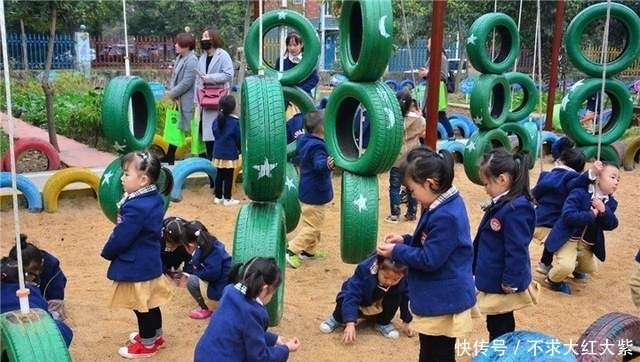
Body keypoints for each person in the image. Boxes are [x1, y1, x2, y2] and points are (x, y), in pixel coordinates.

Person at [377, 147, 476, 362]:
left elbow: (429, 258)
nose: (411, 195)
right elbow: (430, 242)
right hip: (439, 297)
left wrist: (397, 251)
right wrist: (405, 240)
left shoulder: (446, 215)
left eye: (412, 190)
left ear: (429, 184)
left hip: (444, 299)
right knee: (429, 349)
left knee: (439, 353)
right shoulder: (443, 204)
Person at [100, 150, 175, 359]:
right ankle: (156, 336)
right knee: (151, 303)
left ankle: (148, 344)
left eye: (126, 174)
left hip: (137, 265)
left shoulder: (136, 207)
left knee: (141, 307)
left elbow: (123, 235)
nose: (122, 179)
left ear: (143, 180)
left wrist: (108, 251)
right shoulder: (154, 197)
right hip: (149, 261)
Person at [473, 148, 538, 342]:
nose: (485, 189)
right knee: (496, 319)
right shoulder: (504, 202)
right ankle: (498, 347)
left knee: (501, 322)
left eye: (486, 184)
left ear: (502, 179)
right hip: (494, 274)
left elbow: (517, 248)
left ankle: (501, 350)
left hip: (503, 281)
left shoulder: (517, 208)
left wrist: (510, 280)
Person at [193, 257, 301, 362]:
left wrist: (275, 339)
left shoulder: (230, 291)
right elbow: (260, 358)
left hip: (203, 354)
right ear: (264, 289)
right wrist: (286, 348)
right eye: (273, 292)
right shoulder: (253, 312)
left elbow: (247, 331)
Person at [545, 162, 620, 295]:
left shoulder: (611, 203)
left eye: (618, 179)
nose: (616, 182)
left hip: (587, 243)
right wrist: (591, 214)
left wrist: (604, 211)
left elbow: (611, 225)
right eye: (612, 177)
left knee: (589, 268)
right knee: (565, 267)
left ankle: (577, 269)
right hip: (568, 238)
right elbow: (568, 216)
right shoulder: (580, 192)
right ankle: (552, 280)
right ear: (598, 177)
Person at [319, 254, 414, 342]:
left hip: (377, 301)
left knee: (397, 296)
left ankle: (383, 322)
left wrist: (406, 321)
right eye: (385, 277)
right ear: (378, 267)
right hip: (360, 300)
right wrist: (350, 323)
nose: (389, 282)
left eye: (395, 279)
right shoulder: (364, 271)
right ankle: (336, 318)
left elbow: (405, 298)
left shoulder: (402, 276)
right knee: (344, 298)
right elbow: (352, 295)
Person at [532, 150, 596, 276]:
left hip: (537, 221)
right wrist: (591, 175)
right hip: (555, 224)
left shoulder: (545, 175)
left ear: (561, 161)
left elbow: (534, 194)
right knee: (566, 235)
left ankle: (545, 263)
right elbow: (577, 183)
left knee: (551, 239)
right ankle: (565, 266)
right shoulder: (571, 177)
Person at [286, 110, 335, 269]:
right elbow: (319, 164)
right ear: (322, 128)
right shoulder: (318, 147)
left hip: (307, 190)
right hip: (315, 193)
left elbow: (300, 138)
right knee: (313, 226)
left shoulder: (305, 140)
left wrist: (299, 134)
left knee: (313, 222)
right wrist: (327, 164)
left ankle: (309, 251)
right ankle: (291, 250)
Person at [0, 257, 73, 348]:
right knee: (62, 329)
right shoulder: (32, 291)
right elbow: (46, 317)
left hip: (10, 339)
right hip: (34, 336)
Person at [384, 90, 426, 224]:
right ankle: (412, 212)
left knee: (395, 186)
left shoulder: (393, 120)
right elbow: (423, 130)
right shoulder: (418, 119)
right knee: (411, 185)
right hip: (413, 157)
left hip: (397, 157)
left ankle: (395, 214)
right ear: (409, 105)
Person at [195, 26, 234, 163]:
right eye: (202, 37)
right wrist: (197, 99)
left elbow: (228, 74)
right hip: (205, 100)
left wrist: (210, 77)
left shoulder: (223, 55)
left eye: (206, 36)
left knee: (218, 132)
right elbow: (198, 80)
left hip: (219, 98)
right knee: (206, 135)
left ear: (214, 38)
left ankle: (219, 165)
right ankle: (210, 168)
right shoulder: (202, 57)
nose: (203, 39)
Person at [8, 233, 67, 320]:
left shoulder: (53, 274)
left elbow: (56, 310)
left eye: (30, 273)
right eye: (22, 273)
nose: (27, 278)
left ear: (42, 264)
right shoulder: (6, 273)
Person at [183, 220, 233, 320]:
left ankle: (207, 308)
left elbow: (212, 274)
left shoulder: (205, 252)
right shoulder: (212, 244)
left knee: (191, 281)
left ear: (190, 245)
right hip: (228, 283)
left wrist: (195, 270)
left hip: (221, 289)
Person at [162, 32, 198, 165]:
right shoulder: (180, 58)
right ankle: (170, 156)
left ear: (187, 45)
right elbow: (175, 78)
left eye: (178, 43)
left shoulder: (192, 60)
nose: (175, 45)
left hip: (187, 100)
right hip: (178, 100)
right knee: (175, 127)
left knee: (192, 129)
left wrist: (171, 94)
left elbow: (187, 82)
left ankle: (202, 156)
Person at [418, 37, 454, 140]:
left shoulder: (442, 58)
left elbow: (443, 76)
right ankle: (424, 137)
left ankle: (451, 135)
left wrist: (428, 73)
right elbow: (431, 73)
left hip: (438, 91)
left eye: (429, 44)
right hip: (430, 89)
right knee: (427, 113)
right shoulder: (431, 57)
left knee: (439, 114)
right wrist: (424, 73)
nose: (427, 46)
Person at [211, 94, 241, 206]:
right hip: (230, 154)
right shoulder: (235, 122)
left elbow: (215, 133)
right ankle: (227, 199)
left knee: (219, 175)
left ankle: (218, 197)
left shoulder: (217, 120)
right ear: (233, 108)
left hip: (218, 152)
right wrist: (240, 149)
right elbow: (239, 138)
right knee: (229, 176)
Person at [275, 31, 319, 97]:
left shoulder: (308, 60)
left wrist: (300, 91)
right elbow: (276, 77)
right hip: (286, 95)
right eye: (289, 45)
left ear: (301, 45)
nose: (292, 48)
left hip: (304, 94)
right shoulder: (281, 60)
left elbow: (314, 78)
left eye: (295, 45)